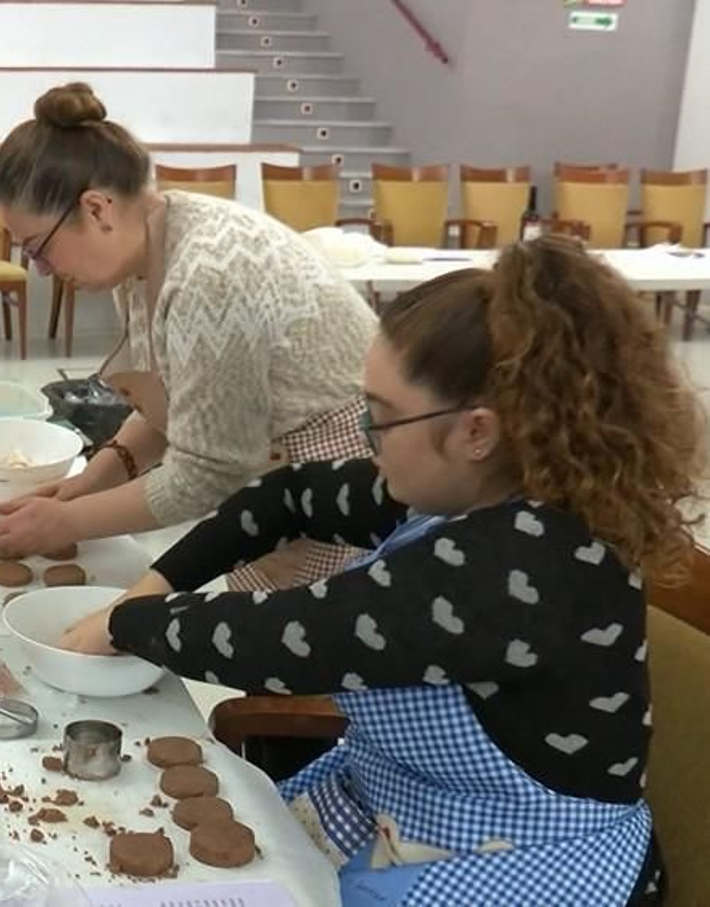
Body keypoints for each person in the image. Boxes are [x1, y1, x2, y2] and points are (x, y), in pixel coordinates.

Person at [63, 237, 706, 904]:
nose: (369, 437)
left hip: (524, 858)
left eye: (385, 417)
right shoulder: (476, 483)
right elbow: (285, 497)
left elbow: (294, 638)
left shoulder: (525, 563)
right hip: (410, 804)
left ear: (476, 431)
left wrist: (126, 622)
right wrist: (154, 585)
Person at [0, 83, 377, 591]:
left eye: (38, 248)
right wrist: (82, 487)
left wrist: (69, 522)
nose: (44, 271)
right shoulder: (145, 251)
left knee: (291, 643)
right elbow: (185, 401)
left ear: (96, 210)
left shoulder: (209, 274)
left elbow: (207, 471)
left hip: (345, 482)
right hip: (273, 477)